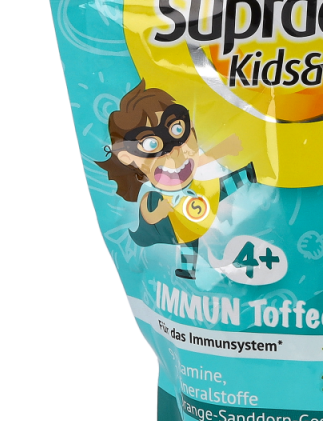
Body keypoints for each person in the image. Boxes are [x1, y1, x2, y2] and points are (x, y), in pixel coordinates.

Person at [97, 81, 255, 279]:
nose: (173, 150)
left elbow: (200, 160)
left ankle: (247, 174)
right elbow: (149, 217)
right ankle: (188, 269)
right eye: (150, 143)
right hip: (176, 219)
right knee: (189, 240)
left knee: (221, 188)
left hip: (197, 194)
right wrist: (160, 212)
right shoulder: (150, 194)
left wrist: (223, 149)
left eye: (177, 129)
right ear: (126, 157)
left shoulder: (186, 159)